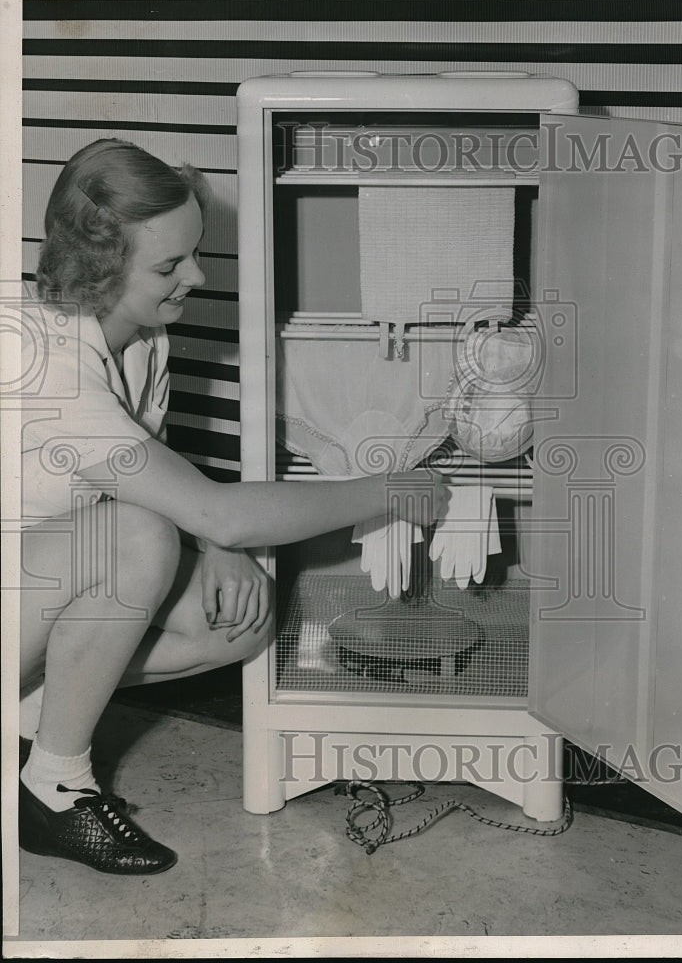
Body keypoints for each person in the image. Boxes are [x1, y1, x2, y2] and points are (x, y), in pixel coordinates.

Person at [18, 139, 447, 875]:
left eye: (194, 252)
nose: (198, 275)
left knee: (234, 623)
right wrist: (393, 489)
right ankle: (55, 787)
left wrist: (220, 552)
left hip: (29, 592)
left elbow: (165, 480)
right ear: (98, 265)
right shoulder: (39, 357)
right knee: (134, 539)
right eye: (169, 266)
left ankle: (28, 726)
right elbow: (207, 511)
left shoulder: (142, 337)